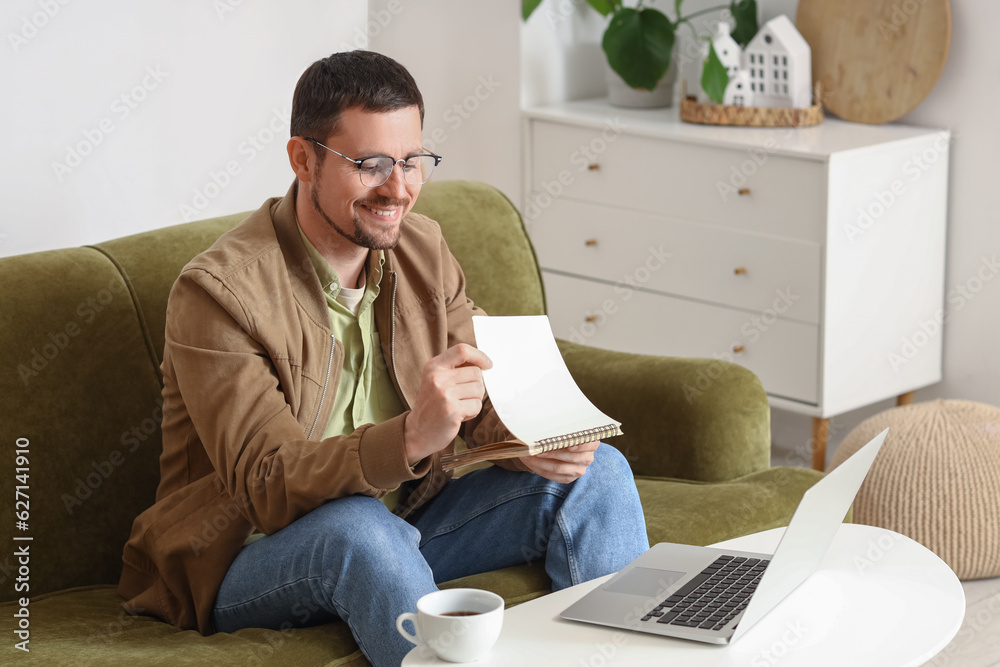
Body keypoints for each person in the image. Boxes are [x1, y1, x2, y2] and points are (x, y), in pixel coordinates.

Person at [118, 50, 648, 667]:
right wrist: (411, 436)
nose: (398, 189)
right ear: (303, 160)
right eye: (370, 165)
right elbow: (266, 486)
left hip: (404, 523)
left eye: (412, 161)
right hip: (244, 554)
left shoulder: (421, 248)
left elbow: (474, 391)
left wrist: (521, 438)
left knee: (597, 474)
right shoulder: (218, 293)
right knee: (359, 531)